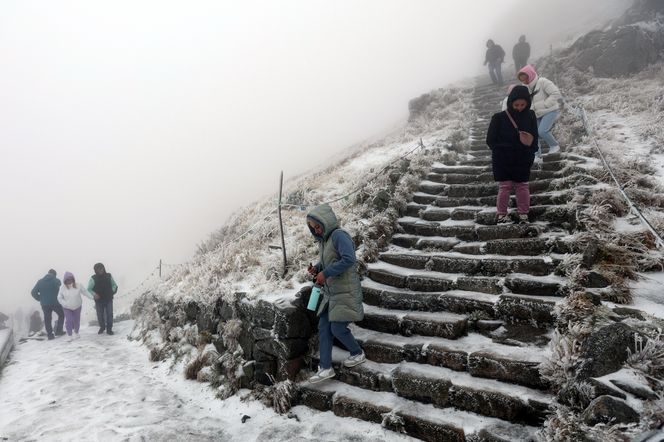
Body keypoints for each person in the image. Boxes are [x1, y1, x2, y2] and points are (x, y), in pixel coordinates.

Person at [305, 204, 365, 383]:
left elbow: (349, 259)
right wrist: (317, 268)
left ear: (326, 221)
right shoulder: (324, 241)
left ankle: (357, 352)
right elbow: (329, 260)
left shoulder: (339, 235)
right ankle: (325, 367)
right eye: (313, 227)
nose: (316, 229)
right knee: (323, 328)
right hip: (332, 293)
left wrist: (326, 273)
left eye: (317, 225)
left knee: (337, 328)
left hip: (345, 290)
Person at [486, 85, 539, 224]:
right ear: (510, 103)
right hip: (503, 159)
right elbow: (490, 140)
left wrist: (531, 153)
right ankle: (502, 215)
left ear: (528, 103)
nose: (520, 107)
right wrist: (504, 150)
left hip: (522, 158)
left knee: (522, 186)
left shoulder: (530, 115)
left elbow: (535, 137)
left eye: (523, 104)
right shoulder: (498, 118)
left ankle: (523, 214)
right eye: (516, 104)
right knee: (505, 186)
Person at [517, 64, 563, 156]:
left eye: (526, 78)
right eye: (522, 80)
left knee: (542, 131)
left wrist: (545, 104)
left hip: (550, 110)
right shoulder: (525, 88)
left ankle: (555, 146)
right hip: (536, 114)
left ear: (530, 75)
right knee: (533, 134)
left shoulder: (542, 81)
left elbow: (556, 93)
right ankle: (536, 155)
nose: (524, 81)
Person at [57, 272, 94, 341]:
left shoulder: (78, 285)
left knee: (76, 320)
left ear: (73, 279)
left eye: (71, 279)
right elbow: (59, 297)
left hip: (77, 306)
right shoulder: (62, 288)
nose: (69, 281)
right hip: (67, 307)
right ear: (65, 280)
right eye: (67, 279)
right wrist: (64, 304)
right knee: (69, 320)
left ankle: (76, 333)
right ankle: (69, 335)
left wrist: (92, 297)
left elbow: (85, 292)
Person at [31, 269, 64, 340]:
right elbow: (60, 288)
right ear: (54, 274)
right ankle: (59, 331)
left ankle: (50, 335)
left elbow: (33, 292)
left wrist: (40, 298)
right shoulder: (56, 280)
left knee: (47, 319)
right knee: (61, 315)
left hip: (45, 304)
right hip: (55, 303)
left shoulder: (40, 282)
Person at [87, 263, 118, 335]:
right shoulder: (93, 278)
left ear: (104, 268)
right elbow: (89, 289)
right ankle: (102, 327)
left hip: (108, 299)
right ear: (95, 270)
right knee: (100, 315)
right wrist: (95, 294)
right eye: (98, 269)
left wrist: (112, 291)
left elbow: (114, 285)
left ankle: (109, 329)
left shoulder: (108, 275)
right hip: (99, 300)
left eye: (101, 268)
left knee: (109, 314)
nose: (100, 270)